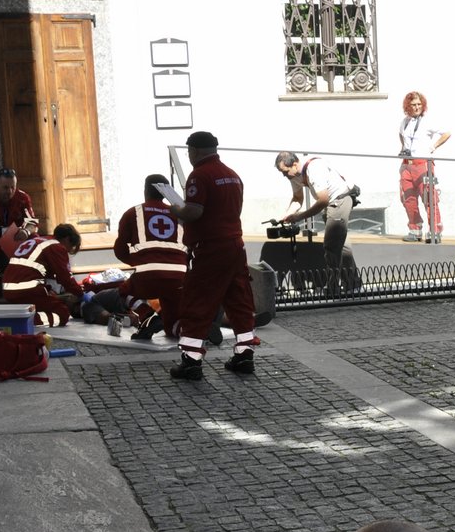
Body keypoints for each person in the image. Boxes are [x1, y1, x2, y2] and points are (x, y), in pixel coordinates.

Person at [167, 131, 259, 380]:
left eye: (189, 152)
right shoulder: (232, 175)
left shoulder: (199, 175)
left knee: (197, 301)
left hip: (209, 248)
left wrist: (176, 210)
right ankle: (244, 354)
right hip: (234, 247)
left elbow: (194, 212)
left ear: (194, 151)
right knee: (238, 299)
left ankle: (191, 360)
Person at [112, 173, 188, 342]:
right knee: (172, 325)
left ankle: (149, 316)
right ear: (167, 192)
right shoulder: (182, 215)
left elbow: (119, 248)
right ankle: (188, 330)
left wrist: (138, 262)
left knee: (125, 292)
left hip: (148, 275)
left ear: (145, 190)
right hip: (179, 277)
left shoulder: (132, 213)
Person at [274, 151, 362, 294]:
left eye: (285, 172)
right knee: (342, 245)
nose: (284, 176)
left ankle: (333, 288)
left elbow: (323, 200)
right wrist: (287, 214)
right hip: (332, 203)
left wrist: (299, 216)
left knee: (331, 247)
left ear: (295, 164)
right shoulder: (294, 175)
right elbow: (297, 197)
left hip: (339, 200)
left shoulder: (313, 169)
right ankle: (353, 284)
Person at [0, 223, 83, 327]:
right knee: (63, 313)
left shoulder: (38, 241)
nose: (67, 251)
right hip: (26, 290)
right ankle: (23, 321)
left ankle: (22, 316)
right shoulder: (56, 246)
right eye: (70, 247)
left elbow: (41, 273)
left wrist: (52, 294)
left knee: (49, 300)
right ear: (66, 239)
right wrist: (82, 295)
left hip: (9, 290)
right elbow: (65, 278)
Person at [398, 91, 450, 243]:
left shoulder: (429, 121)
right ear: (408, 106)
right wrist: (403, 147)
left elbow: (446, 133)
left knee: (429, 198)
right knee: (408, 199)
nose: (416, 107)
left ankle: (435, 232)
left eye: (419, 104)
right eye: (413, 104)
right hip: (407, 165)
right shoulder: (404, 122)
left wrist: (433, 147)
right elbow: (400, 134)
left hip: (423, 164)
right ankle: (415, 230)